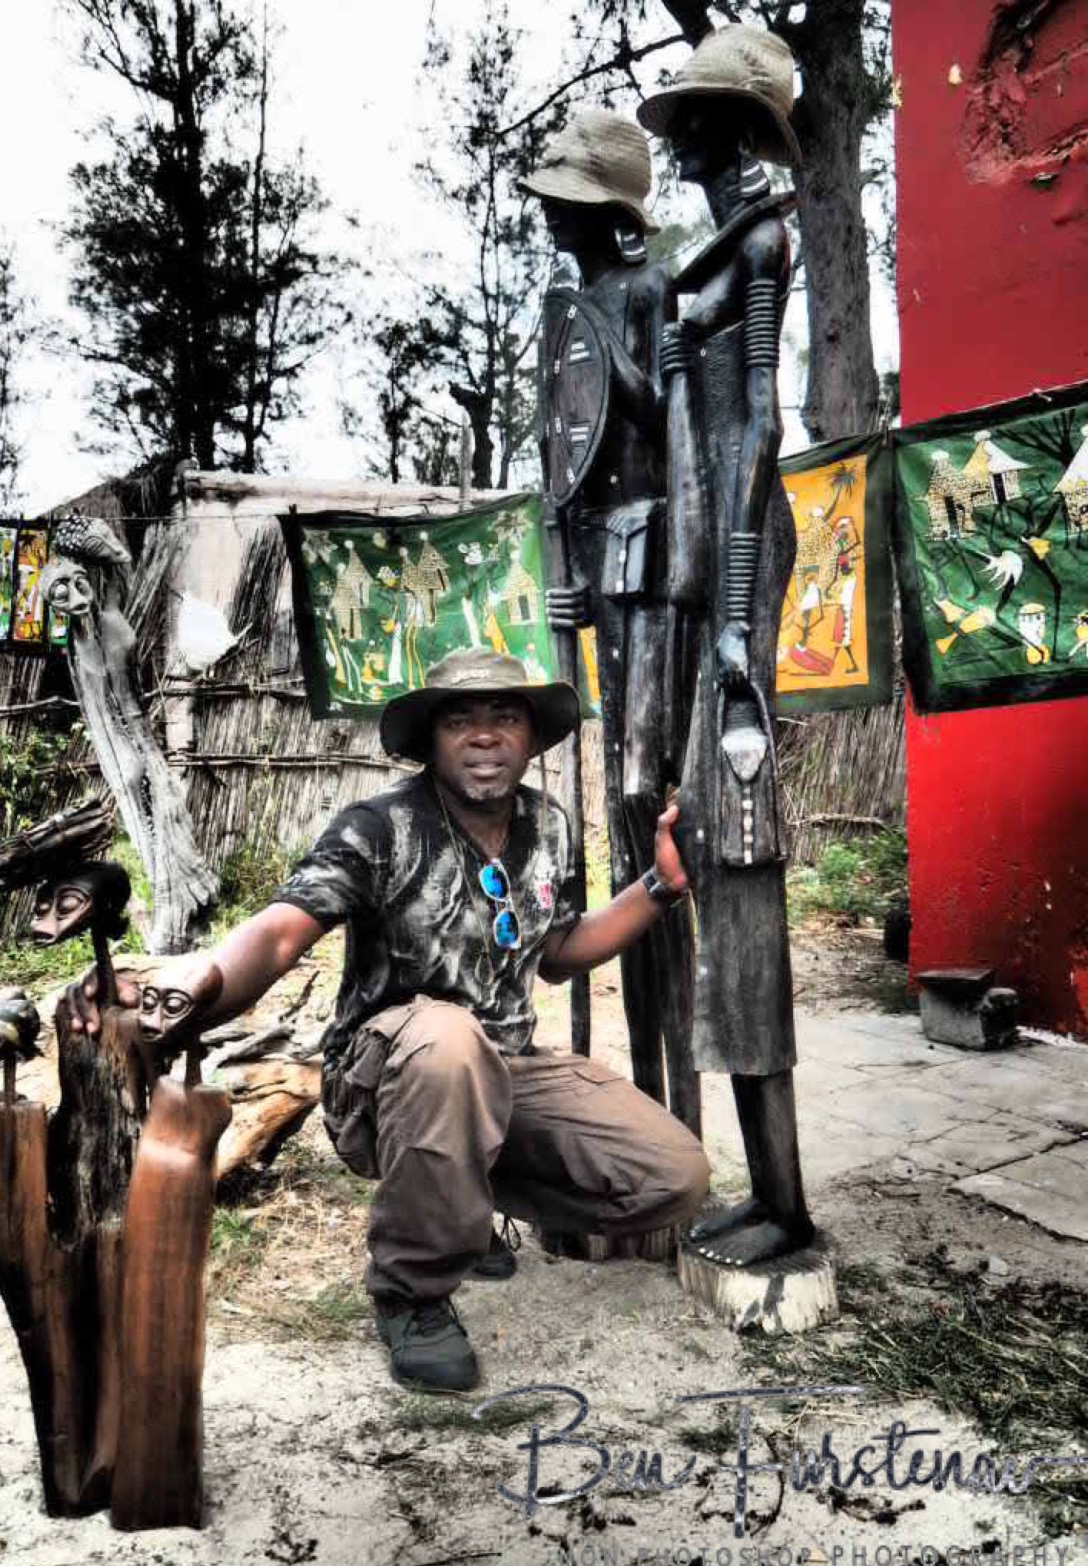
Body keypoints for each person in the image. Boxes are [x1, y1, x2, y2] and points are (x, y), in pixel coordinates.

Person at [70, 648, 709, 1393]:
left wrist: (660, 886)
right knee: (448, 1040)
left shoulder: (552, 826)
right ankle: (411, 1292)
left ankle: (459, 1194)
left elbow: (559, 950)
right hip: (382, 1080)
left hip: (501, 1070)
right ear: (429, 740)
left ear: (532, 737)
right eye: (459, 719)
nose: (483, 735)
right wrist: (196, 981)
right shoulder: (381, 828)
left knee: (673, 1174)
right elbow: (280, 933)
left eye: (504, 717)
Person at [636, 25, 816, 1267]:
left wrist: (742, 620)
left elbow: (757, 431)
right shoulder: (707, 253)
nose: (682, 137)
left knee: (741, 871)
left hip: (740, 575)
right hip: (708, 577)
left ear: (743, 129)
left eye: (702, 116)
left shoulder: (761, 241)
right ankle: (768, 1190)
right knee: (715, 857)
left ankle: (790, 1206)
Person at [521, 109, 698, 1128]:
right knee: (599, 807)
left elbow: (660, 431)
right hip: (593, 555)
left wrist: (609, 345)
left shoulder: (642, 291)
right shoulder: (566, 304)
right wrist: (561, 564)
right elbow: (561, 461)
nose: (547, 213)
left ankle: (666, 1094)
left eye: (560, 198)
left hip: (648, 551)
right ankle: (618, 1113)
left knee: (641, 788)